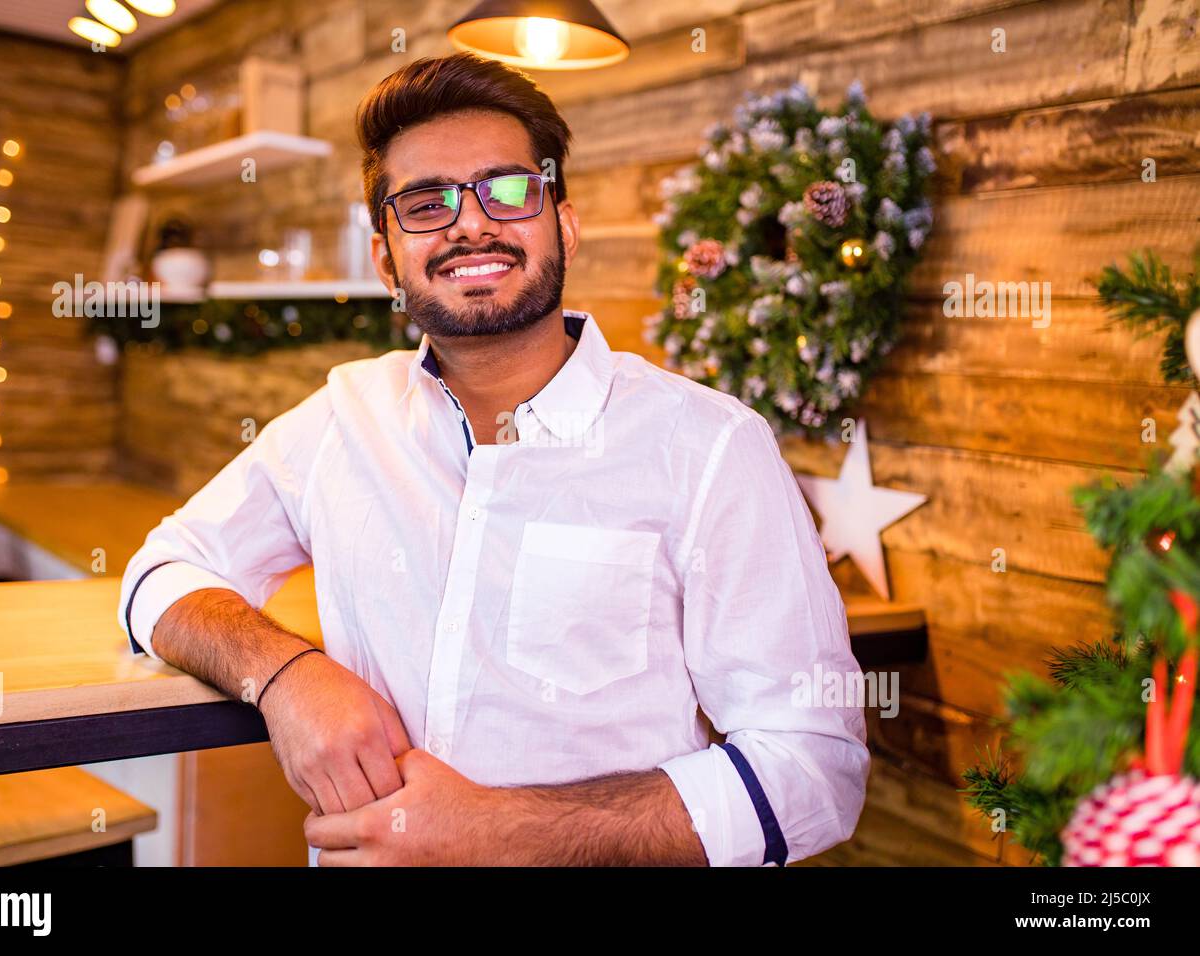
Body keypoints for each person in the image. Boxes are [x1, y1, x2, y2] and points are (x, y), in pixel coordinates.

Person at [117, 52, 869, 866]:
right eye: (425, 203)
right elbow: (162, 570)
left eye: (508, 190)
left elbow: (812, 770)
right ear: (385, 261)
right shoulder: (344, 416)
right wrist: (288, 674)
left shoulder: (710, 445)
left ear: (564, 226)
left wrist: (496, 832)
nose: (471, 225)